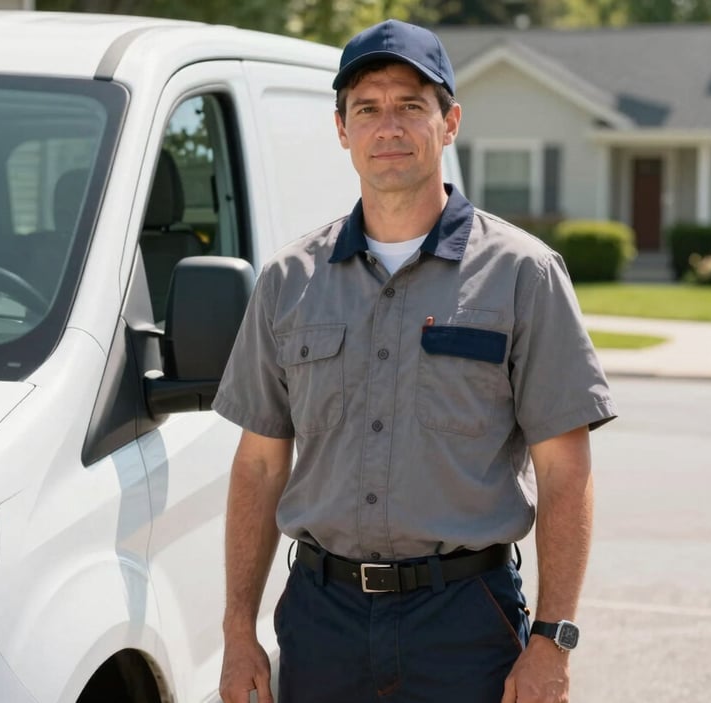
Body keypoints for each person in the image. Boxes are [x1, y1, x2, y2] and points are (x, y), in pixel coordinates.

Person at [213, 18, 617, 703]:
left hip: (464, 622)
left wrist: (553, 638)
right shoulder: (287, 282)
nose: (388, 127)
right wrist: (236, 630)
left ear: (449, 121)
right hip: (321, 618)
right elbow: (258, 465)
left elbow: (564, 470)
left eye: (411, 105)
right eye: (367, 109)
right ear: (342, 130)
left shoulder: (524, 275)